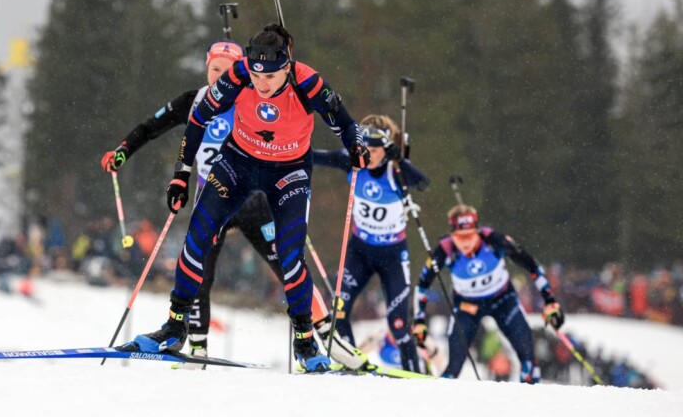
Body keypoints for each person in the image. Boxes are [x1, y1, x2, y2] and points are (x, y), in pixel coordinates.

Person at [114, 23, 370, 372]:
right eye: (256, 75)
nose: (261, 84)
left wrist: (355, 146)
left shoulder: (307, 81)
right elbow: (198, 119)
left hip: (289, 171)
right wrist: (182, 174)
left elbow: (346, 123)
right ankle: (175, 327)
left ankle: (306, 341)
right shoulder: (238, 75)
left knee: (291, 257)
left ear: (286, 66)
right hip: (238, 163)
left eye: (269, 77)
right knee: (196, 238)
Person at [312, 114, 429, 373]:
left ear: (386, 148)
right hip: (360, 251)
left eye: (375, 150)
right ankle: (352, 363)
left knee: (399, 323)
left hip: (393, 254)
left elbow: (423, 183)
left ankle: (414, 372)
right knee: (339, 311)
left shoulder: (396, 170)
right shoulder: (352, 160)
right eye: (365, 148)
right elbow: (315, 156)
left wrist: (399, 160)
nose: (369, 155)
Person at [412, 204, 565, 383]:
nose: (466, 243)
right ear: (452, 235)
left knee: (528, 361)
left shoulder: (493, 240)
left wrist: (550, 301)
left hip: (502, 301)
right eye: (460, 238)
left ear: (477, 231)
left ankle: (530, 397)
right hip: (467, 307)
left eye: (470, 236)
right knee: (453, 368)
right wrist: (419, 321)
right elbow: (422, 285)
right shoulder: (444, 250)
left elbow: (532, 266)